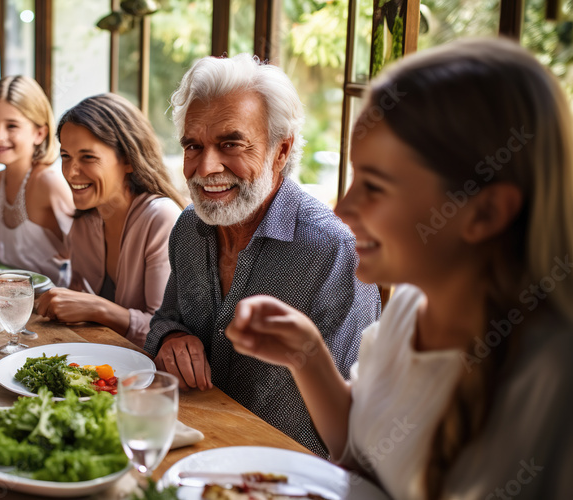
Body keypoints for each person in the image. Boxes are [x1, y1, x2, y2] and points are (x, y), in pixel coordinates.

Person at [225, 38, 573, 499]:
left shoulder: (552, 381)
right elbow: (363, 451)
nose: (344, 208)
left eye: (374, 186)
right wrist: (305, 354)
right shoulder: (410, 306)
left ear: (484, 213)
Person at [144, 54, 381, 457]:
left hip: (285, 473)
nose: (206, 167)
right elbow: (166, 319)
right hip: (189, 448)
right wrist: (170, 337)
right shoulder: (189, 227)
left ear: (281, 150)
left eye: (230, 144)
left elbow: (357, 422)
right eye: (193, 146)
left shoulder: (332, 249)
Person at [36, 93, 185, 348]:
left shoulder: (161, 218)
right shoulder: (82, 225)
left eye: (88, 157)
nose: (71, 172)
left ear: (127, 159)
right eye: (66, 156)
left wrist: (96, 308)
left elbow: (165, 332)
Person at [0, 75, 74, 284]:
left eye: (11, 126)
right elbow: (20, 256)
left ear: (39, 133)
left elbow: (81, 257)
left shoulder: (48, 182)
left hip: (53, 301)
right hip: (10, 297)